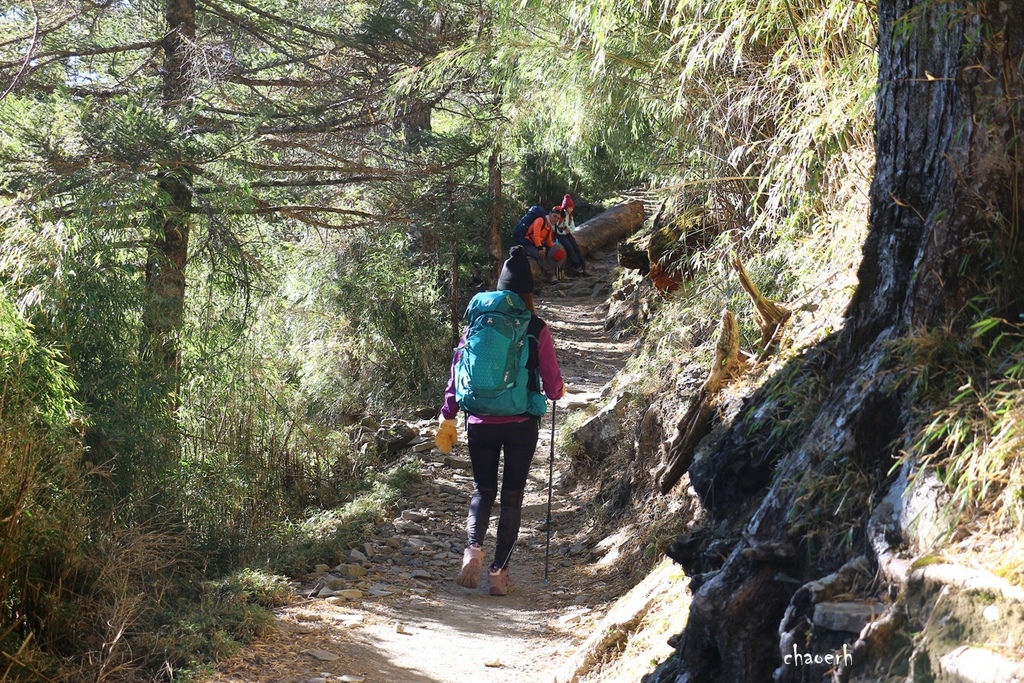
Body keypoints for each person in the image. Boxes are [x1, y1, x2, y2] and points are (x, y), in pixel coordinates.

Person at [435, 246, 565, 595]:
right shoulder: (536, 326)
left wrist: (448, 415)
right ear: (527, 293)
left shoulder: (477, 323)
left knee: (482, 490)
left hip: (478, 419)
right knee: (511, 497)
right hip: (521, 422)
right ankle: (498, 572)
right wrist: (554, 390)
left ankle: (473, 549)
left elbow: (457, 373)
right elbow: (553, 387)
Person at [514, 207, 565, 284]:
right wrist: (540, 248)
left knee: (549, 252)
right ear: (550, 214)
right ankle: (551, 275)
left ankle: (556, 274)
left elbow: (548, 242)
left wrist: (555, 249)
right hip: (526, 243)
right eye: (554, 216)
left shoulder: (549, 227)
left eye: (558, 218)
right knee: (540, 255)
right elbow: (536, 235)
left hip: (535, 244)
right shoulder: (540, 220)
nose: (556, 219)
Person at [555, 194, 587, 277]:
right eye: (570, 207)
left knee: (576, 248)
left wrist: (569, 230)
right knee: (569, 248)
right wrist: (564, 231)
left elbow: (573, 227)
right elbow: (555, 227)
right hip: (560, 235)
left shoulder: (570, 216)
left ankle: (583, 268)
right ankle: (576, 266)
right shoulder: (560, 215)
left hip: (567, 234)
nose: (572, 209)